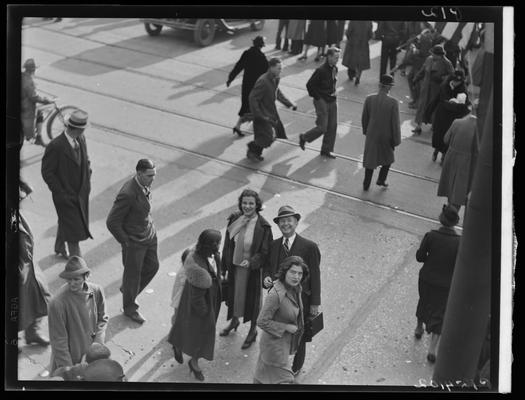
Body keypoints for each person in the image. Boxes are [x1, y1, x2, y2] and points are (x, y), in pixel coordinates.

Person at [263, 205, 321, 376]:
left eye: (289, 220)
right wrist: (265, 278)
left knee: (300, 334)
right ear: (278, 224)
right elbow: (267, 267)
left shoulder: (309, 247)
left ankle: (296, 366)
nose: (285, 224)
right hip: (278, 301)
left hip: (300, 300)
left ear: (296, 222)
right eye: (282, 221)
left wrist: (315, 303)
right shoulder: (274, 245)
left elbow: (316, 276)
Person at [106, 158, 159, 324]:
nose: (153, 179)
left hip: (148, 234)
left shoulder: (144, 185)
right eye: (150, 175)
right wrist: (126, 242)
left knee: (153, 266)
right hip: (134, 241)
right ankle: (130, 307)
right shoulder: (128, 193)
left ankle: (129, 290)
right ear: (139, 173)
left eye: (154, 175)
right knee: (132, 275)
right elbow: (112, 221)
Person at [219, 189, 273, 349]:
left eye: (251, 203)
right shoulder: (235, 218)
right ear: (240, 204)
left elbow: (265, 252)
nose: (247, 206)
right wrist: (223, 267)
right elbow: (228, 244)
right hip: (235, 269)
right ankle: (234, 321)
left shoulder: (263, 226)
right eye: (244, 203)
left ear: (257, 205)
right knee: (234, 297)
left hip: (251, 272)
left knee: (252, 303)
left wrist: (251, 262)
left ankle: (252, 331)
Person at [167, 229, 222, 381]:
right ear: (210, 245)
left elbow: (217, 273)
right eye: (217, 242)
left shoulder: (213, 256)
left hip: (206, 298)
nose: (219, 245)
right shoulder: (197, 266)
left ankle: (178, 346)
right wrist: (205, 312)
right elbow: (197, 298)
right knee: (202, 333)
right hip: (199, 304)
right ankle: (194, 362)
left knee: (186, 327)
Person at [41, 109, 93, 259]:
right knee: (74, 237)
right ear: (78, 129)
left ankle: (58, 246)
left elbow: (86, 160)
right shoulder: (56, 146)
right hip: (65, 197)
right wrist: (61, 193)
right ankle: (79, 270)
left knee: (68, 223)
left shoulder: (81, 139)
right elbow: (47, 173)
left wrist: (88, 175)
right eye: (83, 129)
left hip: (81, 194)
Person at [414, 204, 461, 363]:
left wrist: (430, 260)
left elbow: (420, 257)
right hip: (446, 283)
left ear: (441, 219)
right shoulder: (459, 242)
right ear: (455, 223)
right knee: (440, 311)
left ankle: (419, 327)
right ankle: (432, 349)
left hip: (427, 278)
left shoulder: (431, 236)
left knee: (424, 301)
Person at [48, 256, 108, 374]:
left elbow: (103, 319)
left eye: (76, 279)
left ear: (86, 276)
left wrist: (96, 346)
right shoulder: (57, 303)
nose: (72, 283)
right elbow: (59, 341)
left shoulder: (97, 290)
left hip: (92, 353)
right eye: (69, 279)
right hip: (71, 356)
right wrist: (70, 371)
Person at [254, 256, 308, 384]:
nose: (296, 277)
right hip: (274, 348)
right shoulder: (275, 294)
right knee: (288, 381)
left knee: (262, 378)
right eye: (293, 272)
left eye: (300, 273)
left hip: (284, 343)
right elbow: (261, 321)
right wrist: (286, 327)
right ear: (285, 272)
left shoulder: (296, 288)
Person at [18, 187, 52, 348]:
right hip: (18, 271)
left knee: (41, 297)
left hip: (28, 267)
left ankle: (32, 333)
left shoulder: (16, 214)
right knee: (15, 309)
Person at [247, 58, 297, 162]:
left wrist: (289, 103)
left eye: (281, 68)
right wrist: (258, 115)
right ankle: (252, 149)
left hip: (270, 112)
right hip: (262, 114)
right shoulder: (263, 81)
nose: (281, 70)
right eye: (279, 68)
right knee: (268, 136)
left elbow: (277, 93)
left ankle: (254, 152)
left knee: (269, 135)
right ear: (271, 68)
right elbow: (253, 98)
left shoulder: (275, 78)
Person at [361, 74, 401, 191]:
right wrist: (396, 140)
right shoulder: (393, 102)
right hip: (386, 136)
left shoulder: (369, 99)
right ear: (389, 87)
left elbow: (365, 118)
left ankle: (366, 184)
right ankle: (381, 179)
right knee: (388, 159)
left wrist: (366, 131)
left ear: (379, 85)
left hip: (372, 134)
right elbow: (395, 123)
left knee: (370, 160)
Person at [437, 102, 479, 212]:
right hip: (468, 163)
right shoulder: (480, 128)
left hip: (452, 158)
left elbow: (446, 139)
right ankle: (452, 214)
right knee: (460, 190)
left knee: (450, 186)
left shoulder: (457, 122)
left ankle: (448, 212)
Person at [299, 46, 340, 159]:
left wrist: (334, 92)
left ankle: (326, 150)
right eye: (336, 57)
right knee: (322, 127)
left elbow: (333, 83)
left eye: (338, 58)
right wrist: (318, 98)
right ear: (329, 57)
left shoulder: (335, 68)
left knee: (332, 126)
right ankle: (304, 137)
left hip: (332, 100)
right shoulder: (320, 70)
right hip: (322, 100)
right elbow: (309, 85)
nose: (337, 60)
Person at [227, 36, 269, 137]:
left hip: (246, 85)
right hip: (256, 87)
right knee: (256, 107)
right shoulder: (262, 57)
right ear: (262, 46)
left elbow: (238, 66)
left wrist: (230, 78)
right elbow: (267, 73)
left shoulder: (247, 53)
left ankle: (238, 126)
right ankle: (256, 127)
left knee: (246, 105)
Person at [412, 44, 454, 134]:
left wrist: (442, 78)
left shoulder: (447, 63)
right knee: (421, 107)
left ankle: (434, 126)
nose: (433, 55)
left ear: (440, 55)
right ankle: (418, 126)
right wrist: (416, 79)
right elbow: (423, 70)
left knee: (434, 109)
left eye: (435, 54)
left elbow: (452, 76)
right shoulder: (429, 59)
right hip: (426, 87)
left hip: (437, 90)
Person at [431, 70, 470, 163]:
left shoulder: (463, 90)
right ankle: (436, 151)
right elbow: (438, 99)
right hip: (441, 115)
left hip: (452, 117)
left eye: (459, 82)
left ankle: (444, 155)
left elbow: (465, 106)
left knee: (448, 136)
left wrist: (458, 106)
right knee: (438, 134)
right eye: (455, 80)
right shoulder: (444, 86)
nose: (456, 83)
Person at [21, 58, 53, 147]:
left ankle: (37, 137)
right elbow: (33, 97)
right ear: (33, 70)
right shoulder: (28, 81)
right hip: (25, 106)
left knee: (39, 112)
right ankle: (35, 137)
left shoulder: (22, 76)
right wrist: (45, 100)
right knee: (39, 113)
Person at [168, 247, 191, 364]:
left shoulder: (182, 269)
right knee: (181, 321)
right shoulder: (186, 273)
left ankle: (175, 337)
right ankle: (177, 343)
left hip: (178, 300)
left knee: (177, 319)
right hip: (183, 300)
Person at [341, 20, 373, 85]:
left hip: (353, 43)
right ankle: (358, 76)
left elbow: (348, 32)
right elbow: (370, 34)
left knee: (351, 59)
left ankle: (351, 75)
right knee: (361, 61)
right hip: (363, 43)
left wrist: (349, 39)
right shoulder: (369, 22)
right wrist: (366, 40)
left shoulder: (353, 21)